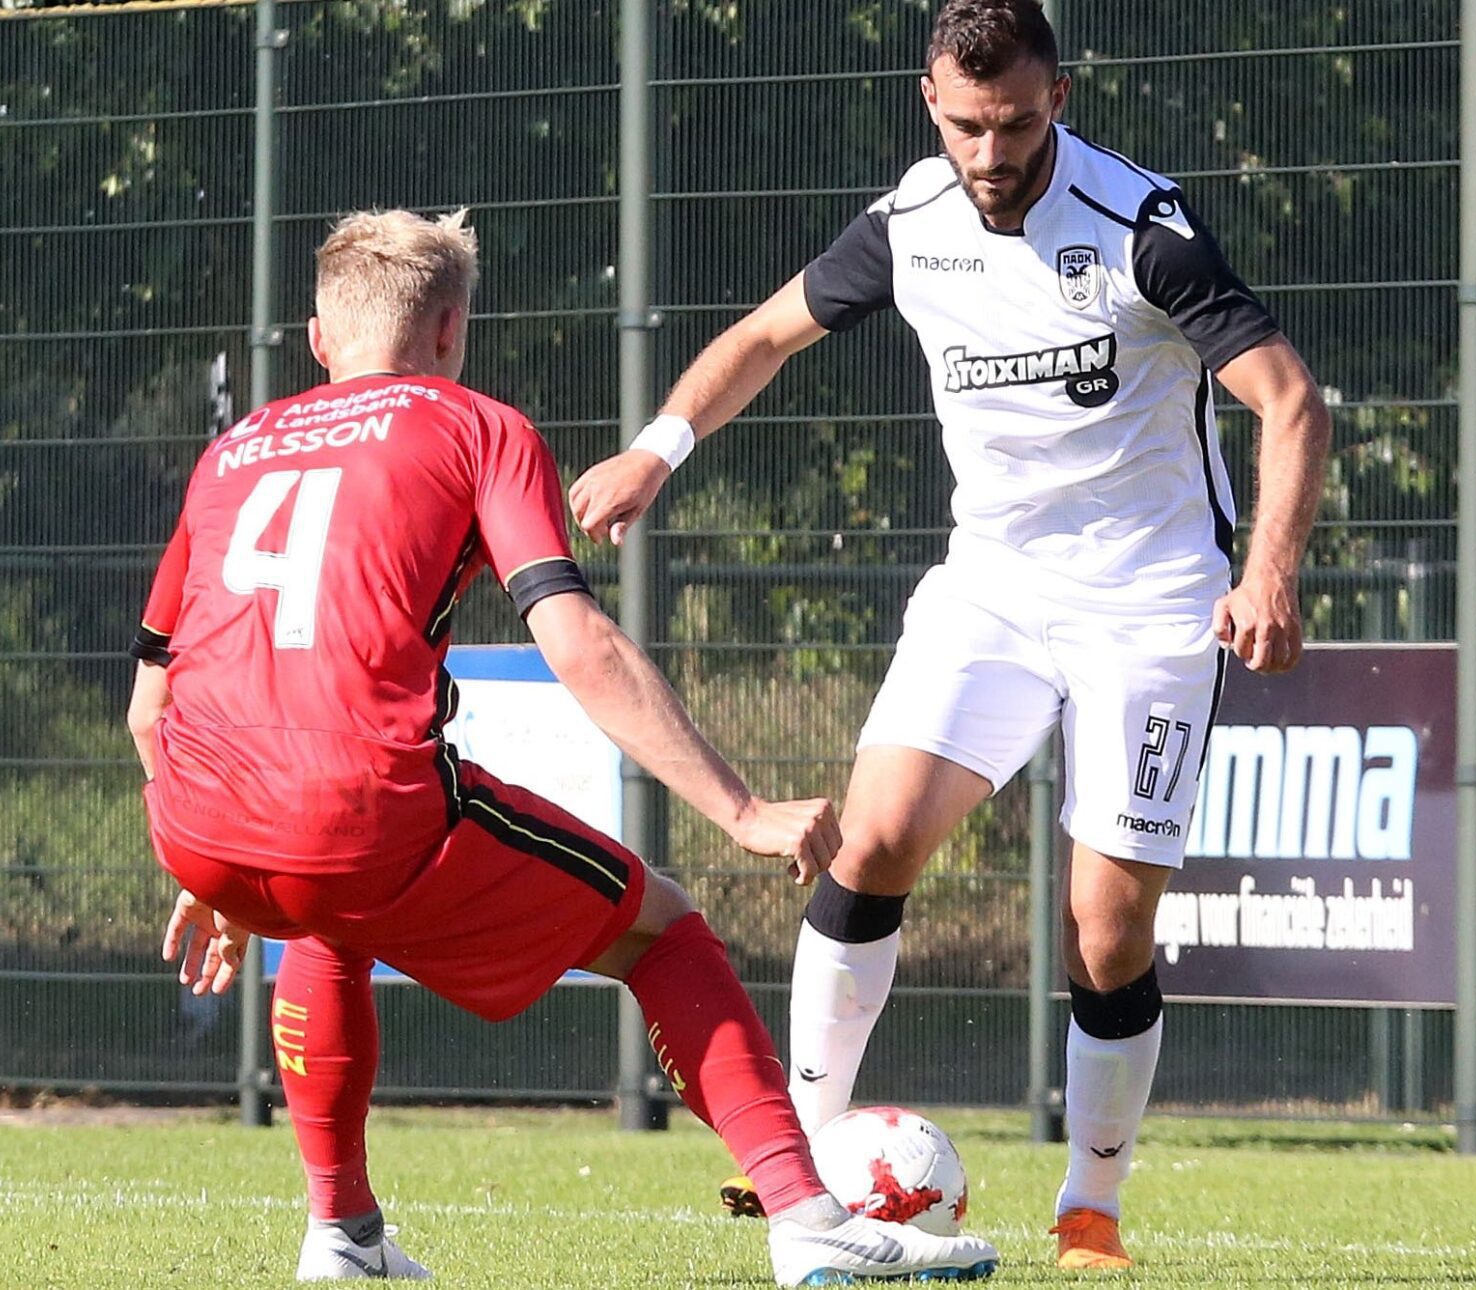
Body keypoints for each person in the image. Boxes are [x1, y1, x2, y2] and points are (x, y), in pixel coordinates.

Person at [568, 0, 1332, 1271]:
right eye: (969, 125)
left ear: (1058, 100)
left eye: (1017, 123)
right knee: (870, 842)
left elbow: (1291, 399)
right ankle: (798, 1161)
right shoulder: (909, 223)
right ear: (932, 104)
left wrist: (1269, 574)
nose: (992, 151)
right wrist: (658, 450)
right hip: (992, 588)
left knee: (1105, 928)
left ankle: (1090, 1207)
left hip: (1148, 603)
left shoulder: (1144, 232)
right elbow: (763, 336)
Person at [128, 208, 999, 1286]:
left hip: (196, 818)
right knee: (664, 932)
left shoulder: (232, 452)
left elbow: (148, 705)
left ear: (316, 338)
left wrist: (214, 852)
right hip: (353, 810)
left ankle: (342, 1235)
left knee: (329, 917)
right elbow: (577, 642)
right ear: (451, 329)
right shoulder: (475, 426)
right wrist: (741, 809)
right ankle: (807, 1213)